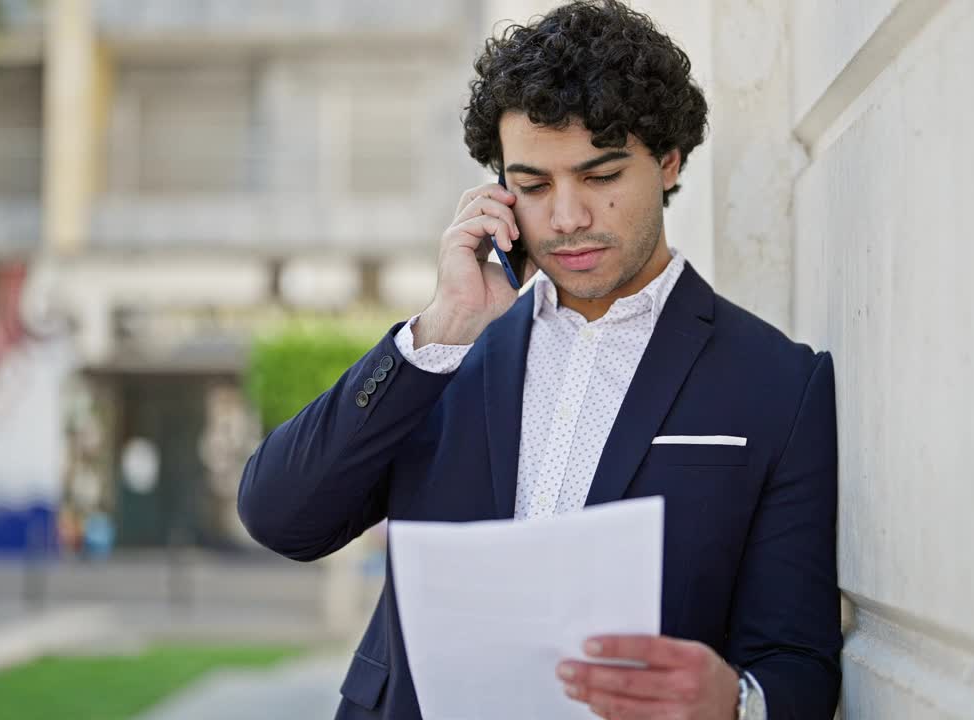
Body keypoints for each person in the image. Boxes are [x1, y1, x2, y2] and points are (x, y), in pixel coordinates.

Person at [238, 1, 840, 717]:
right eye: (532, 185)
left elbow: (799, 662)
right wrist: (445, 325)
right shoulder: (447, 357)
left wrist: (736, 704)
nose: (566, 218)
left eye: (600, 175)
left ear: (669, 160)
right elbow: (281, 517)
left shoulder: (778, 383)